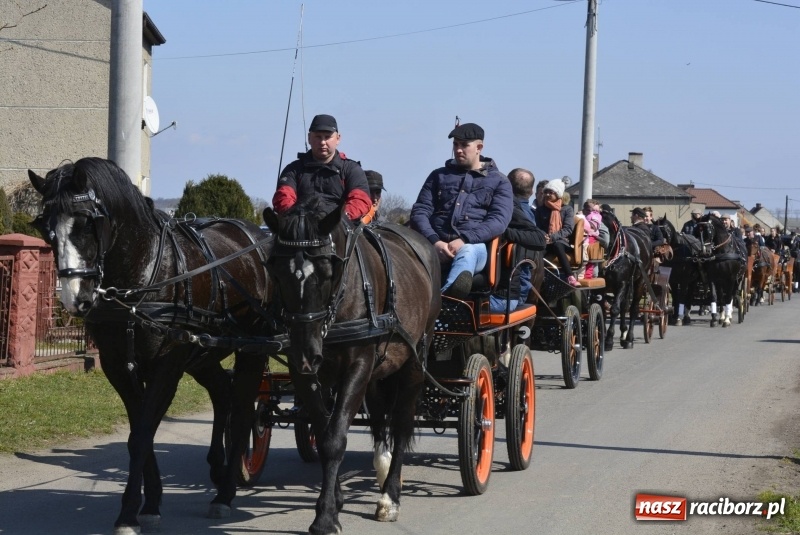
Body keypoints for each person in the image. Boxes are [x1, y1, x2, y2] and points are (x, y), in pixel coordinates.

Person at [410, 122, 513, 299]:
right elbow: (420, 211)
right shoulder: (437, 176)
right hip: (433, 243)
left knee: (468, 252)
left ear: (479, 147)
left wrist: (464, 239)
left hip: (474, 248)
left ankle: (446, 301)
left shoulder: (500, 181)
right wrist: (434, 241)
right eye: (455, 144)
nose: (458, 150)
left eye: (464, 145)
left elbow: (498, 221)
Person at [272, 114, 371, 220]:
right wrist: (296, 217)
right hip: (302, 224)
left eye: (327, 137)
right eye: (318, 137)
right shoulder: (293, 170)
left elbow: (360, 199)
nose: (322, 142)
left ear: (338, 138)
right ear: (309, 138)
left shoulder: (352, 169)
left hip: (340, 225)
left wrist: (340, 218)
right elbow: (283, 196)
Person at [489, 168, 546, 312]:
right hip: (518, 286)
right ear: (531, 192)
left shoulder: (510, 211)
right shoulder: (529, 214)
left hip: (513, 287)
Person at [533, 178, 580, 287]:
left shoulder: (567, 209)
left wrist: (553, 237)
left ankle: (570, 276)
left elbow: (568, 229)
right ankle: (537, 279)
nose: (547, 194)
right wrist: (544, 236)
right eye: (546, 192)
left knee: (557, 245)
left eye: (551, 192)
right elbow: (537, 227)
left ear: (558, 194)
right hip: (545, 241)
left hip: (561, 241)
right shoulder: (540, 210)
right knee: (537, 252)